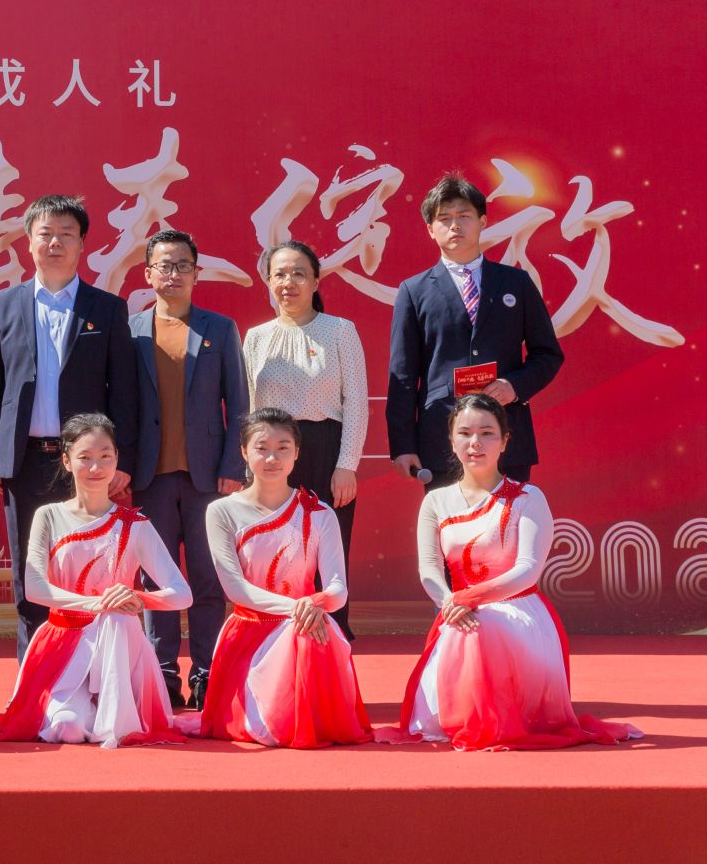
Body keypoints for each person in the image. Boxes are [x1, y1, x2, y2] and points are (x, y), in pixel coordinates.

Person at [380, 395, 640, 750]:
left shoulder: (528, 497)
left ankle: (495, 718)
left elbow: (528, 570)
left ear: (504, 441)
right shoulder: (435, 502)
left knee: (482, 627)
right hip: (457, 612)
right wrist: (451, 603)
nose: (475, 442)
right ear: (451, 441)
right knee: (470, 631)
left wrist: (472, 598)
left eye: (487, 433)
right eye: (465, 433)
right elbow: (429, 569)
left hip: (519, 612)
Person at [0, 195, 138, 654]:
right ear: (29, 242)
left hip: (87, 465)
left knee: (88, 568)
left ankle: (91, 668)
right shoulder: (5, 304)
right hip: (25, 461)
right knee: (30, 573)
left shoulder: (106, 308)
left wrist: (121, 460)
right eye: (45, 234)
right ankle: (35, 672)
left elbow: (124, 390)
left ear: (82, 243)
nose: (55, 243)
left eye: (66, 234)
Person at [0, 414, 189, 748]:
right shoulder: (49, 516)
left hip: (119, 646)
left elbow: (182, 594)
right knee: (66, 728)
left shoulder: (134, 524)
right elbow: (36, 589)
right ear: (66, 461)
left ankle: (114, 713)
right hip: (63, 642)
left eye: (105, 456)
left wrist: (137, 598)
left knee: (118, 619)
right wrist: (97, 603)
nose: (96, 467)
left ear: (116, 460)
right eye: (85, 457)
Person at [191, 408, 370, 748]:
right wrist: (299, 607)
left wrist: (312, 605)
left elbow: (338, 589)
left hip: (306, 629)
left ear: (297, 453)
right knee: (266, 729)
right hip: (249, 632)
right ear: (244, 452)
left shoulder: (319, 513)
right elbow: (235, 589)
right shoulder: (221, 511)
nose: (272, 458)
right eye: (262, 448)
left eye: (283, 448)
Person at [128, 228, 246, 710]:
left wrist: (234, 464)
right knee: (156, 580)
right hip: (149, 476)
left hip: (207, 477)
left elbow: (238, 402)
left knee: (207, 578)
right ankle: (161, 673)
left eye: (183, 266)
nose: (173, 274)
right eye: (164, 265)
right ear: (148, 274)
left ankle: (205, 673)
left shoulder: (220, 328)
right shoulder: (131, 330)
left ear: (197, 274)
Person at [388, 173, 564, 490]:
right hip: (442, 441)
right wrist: (403, 445)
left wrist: (514, 386)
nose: (455, 225)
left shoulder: (515, 282)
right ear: (430, 229)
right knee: (451, 522)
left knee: (510, 519)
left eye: (464, 216)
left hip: (507, 436)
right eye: (444, 218)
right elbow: (403, 375)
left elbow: (548, 353)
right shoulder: (413, 291)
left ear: (482, 221)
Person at [243, 240, 368, 639]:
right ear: (268, 281)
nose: (289, 282)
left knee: (327, 548)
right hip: (272, 455)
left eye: (299, 273)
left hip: (324, 451)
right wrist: (250, 467)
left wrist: (346, 465)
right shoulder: (256, 338)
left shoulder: (340, 331)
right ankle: (276, 632)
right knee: (276, 548)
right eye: (279, 274)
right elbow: (250, 406)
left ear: (316, 281)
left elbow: (356, 402)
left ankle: (332, 635)